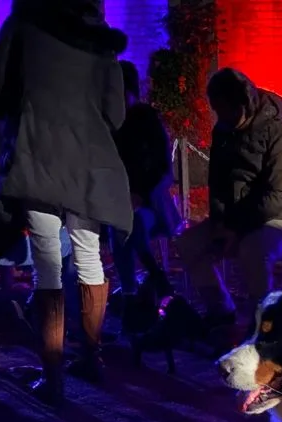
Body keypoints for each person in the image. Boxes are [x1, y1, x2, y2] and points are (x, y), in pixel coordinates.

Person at [0, 0, 131, 404]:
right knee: (90, 258)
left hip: (37, 156)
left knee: (47, 265)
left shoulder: (22, 26)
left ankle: (53, 377)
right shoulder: (102, 41)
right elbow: (116, 115)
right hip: (90, 163)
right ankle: (92, 358)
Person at [174, 68, 282, 342]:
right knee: (189, 243)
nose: (220, 116)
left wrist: (236, 229)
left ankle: (264, 327)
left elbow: (278, 197)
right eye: (217, 110)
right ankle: (220, 311)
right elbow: (219, 184)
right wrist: (221, 224)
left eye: (225, 109)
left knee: (252, 250)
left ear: (243, 104)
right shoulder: (223, 131)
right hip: (237, 220)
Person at [110, 59, 177, 334]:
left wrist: (141, 194)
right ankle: (136, 289)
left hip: (150, 204)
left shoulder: (146, 119)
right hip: (115, 204)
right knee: (121, 226)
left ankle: (135, 291)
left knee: (131, 225)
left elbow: (163, 168)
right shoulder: (109, 124)